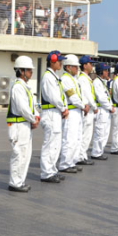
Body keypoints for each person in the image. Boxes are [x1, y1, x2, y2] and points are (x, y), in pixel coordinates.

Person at [7, 56, 40, 192]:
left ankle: (20, 180)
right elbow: (22, 108)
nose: (31, 73)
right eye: (29, 70)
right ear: (21, 71)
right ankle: (15, 182)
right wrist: (33, 119)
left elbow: (31, 106)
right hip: (18, 126)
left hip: (24, 125)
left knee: (25, 154)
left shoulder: (25, 87)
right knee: (19, 154)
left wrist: (36, 116)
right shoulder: (18, 87)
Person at [39, 50, 69, 182]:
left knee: (55, 144)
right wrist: (63, 108)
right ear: (52, 61)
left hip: (55, 113)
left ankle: (52, 170)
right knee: (50, 143)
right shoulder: (48, 77)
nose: (61, 63)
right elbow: (53, 97)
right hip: (51, 112)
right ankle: (46, 173)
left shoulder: (54, 76)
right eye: (59, 61)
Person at [59, 54, 89, 173]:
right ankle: (65, 164)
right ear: (68, 67)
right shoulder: (65, 79)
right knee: (69, 139)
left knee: (77, 138)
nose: (77, 69)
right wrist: (83, 106)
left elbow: (79, 95)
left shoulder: (74, 79)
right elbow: (73, 97)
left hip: (77, 111)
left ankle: (72, 161)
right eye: (75, 67)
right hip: (72, 111)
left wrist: (84, 105)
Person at [78, 55, 98, 165]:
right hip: (87, 109)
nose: (92, 66)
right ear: (85, 65)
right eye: (90, 64)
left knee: (87, 134)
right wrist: (94, 106)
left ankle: (82, 155)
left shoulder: (86, 78)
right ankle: (81, 156)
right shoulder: (83, 78)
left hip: (88, 109)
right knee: (85, 134)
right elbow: (88, 95)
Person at [91, 63, 114, 159]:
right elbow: (101, 98)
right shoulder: (97, 82)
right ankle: (96, 153)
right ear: (101, 71)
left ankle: (100, 151)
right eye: (105, 70)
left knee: (105, 132)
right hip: (101, 110)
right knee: (100, 132)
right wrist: (110, 107)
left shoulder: (102, 82)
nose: (107, 72)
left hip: (105, 110)